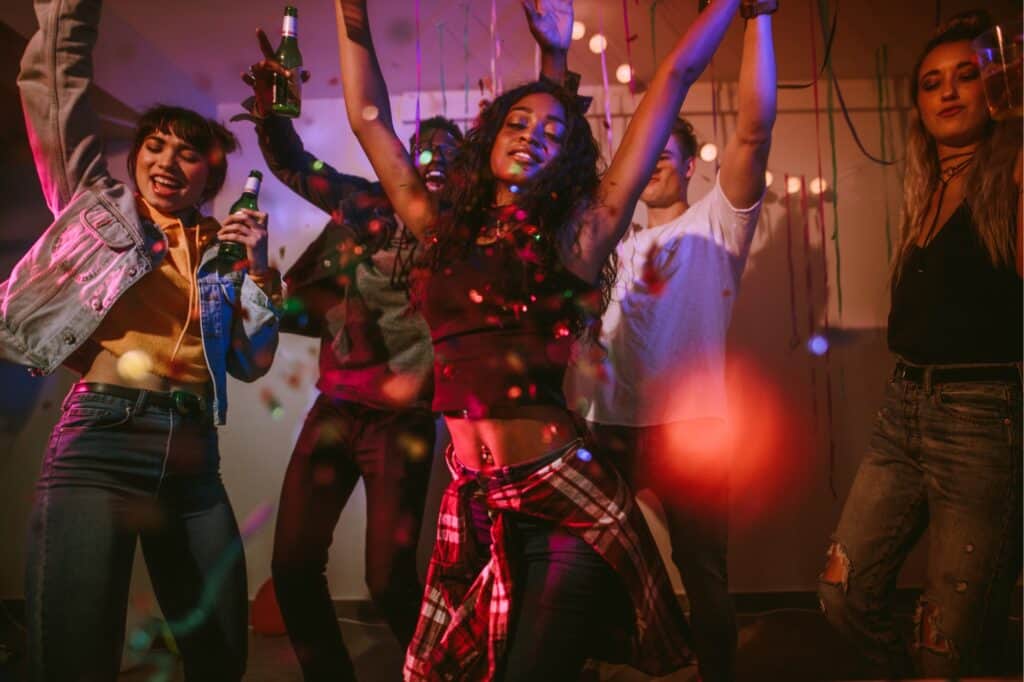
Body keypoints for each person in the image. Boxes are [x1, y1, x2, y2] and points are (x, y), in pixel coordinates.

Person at [334, 0, 741, 678]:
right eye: (518, 122)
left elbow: (672, 78)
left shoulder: (578, 236)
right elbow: (367, 118)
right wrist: (351, 15)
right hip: (474, 499)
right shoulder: (439, 227)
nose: (531, 136)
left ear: (566, 159)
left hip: (563, 500)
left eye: (553, 131)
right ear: (490, 138)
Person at [1, 0, 282, 678]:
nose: (166, 161)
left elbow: (253, 363)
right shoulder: (96, 208)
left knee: (221, 653)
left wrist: (259, 270)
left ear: (211, 176)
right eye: (154, 145)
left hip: (193, 454)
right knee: (75, 653)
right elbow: (57, 91)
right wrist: (71, 12)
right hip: (102, 438)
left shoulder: (221, 249)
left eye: (188, 153)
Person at [567, 4, 776, 679]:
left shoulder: (717, 223)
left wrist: (759, 19)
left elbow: (754, 131)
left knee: (704, 573)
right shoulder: (603, 242)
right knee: (586, 567)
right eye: (645, 148)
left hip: (691, 429)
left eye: (667, 150)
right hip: (606, 427)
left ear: (689, 166)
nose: (653, 156)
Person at [817, 10, 1022, 678]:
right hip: (904, 407)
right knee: (842, 594)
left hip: (983, 416)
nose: (949, 92)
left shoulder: (1012, 173)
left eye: (967, 76)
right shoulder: (927, 185)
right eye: (932, 83)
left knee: (948, 647)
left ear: (997, 88)